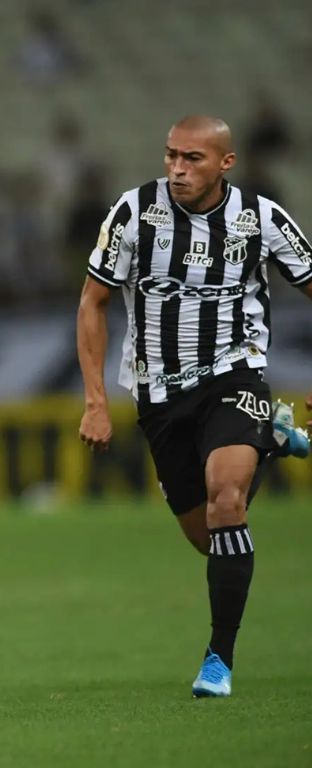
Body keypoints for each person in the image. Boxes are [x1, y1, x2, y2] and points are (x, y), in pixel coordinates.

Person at [77, 115, 311, 699]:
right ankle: (273, 441)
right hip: (159, 396)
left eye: (193, 159)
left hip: (234, 375)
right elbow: (92, 302)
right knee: (211, 537)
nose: (177, 169)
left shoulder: (262, 219)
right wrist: (96, 401)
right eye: (171, 156)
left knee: (227, 499)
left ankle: (218, 659)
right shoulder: (134, 212)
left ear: (225, 163)